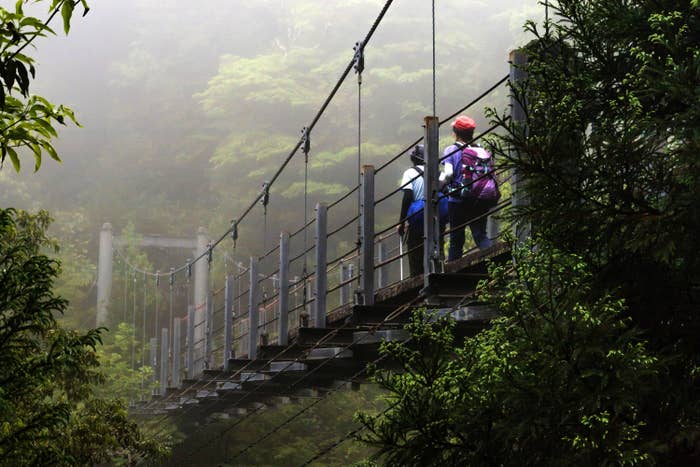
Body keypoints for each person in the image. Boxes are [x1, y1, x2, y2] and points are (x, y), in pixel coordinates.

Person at [440, 116, 500, 261]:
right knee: (480, 234)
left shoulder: (451, 149)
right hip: (479, 197)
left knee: (456, 238)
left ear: (455, 132)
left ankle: (453, 272)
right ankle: (496, 262)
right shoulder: (480, 149)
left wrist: (438, 187)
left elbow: (447, 174)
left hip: (457, 200)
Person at [397, 145, 426, 277]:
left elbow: (407, 196)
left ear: (413, 158)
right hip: (436, 215)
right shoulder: (436, 171)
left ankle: (417, 277)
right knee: (436, 243)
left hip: (419, 215)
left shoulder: (409, 173)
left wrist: (402, 222)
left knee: (415, 246)